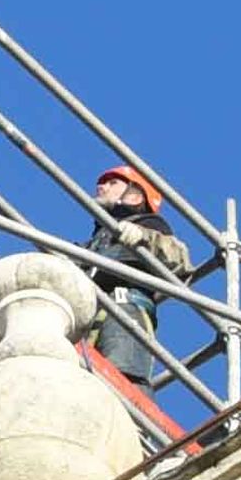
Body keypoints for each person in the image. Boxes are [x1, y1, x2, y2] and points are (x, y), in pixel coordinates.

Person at [83, 165, 191, 387]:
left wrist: (145, 238)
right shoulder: (97, 241)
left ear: (134, 195)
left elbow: (180, 262)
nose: (100, 187)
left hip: (124, 310)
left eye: (113, 183)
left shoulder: (148, 225)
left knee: (122, 379)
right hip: (89, 316)